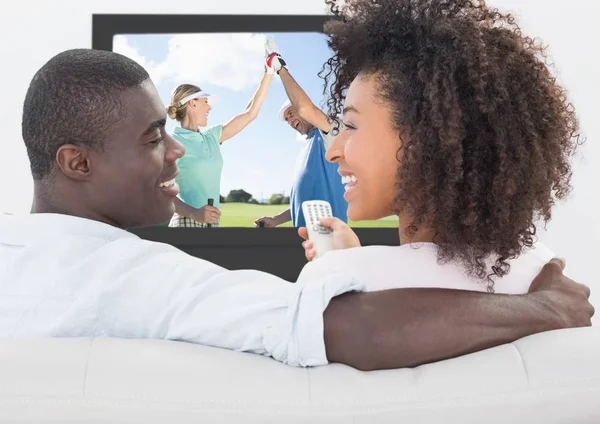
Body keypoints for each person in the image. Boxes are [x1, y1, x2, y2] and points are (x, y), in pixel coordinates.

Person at [0, 48, 592, 372]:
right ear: (78, 163)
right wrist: (543, 303)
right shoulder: (140, 280)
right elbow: (340, 326)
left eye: (349, 127)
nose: (175, 147)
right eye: (154, 137)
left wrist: (348, 267)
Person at [298, 0, 583, 295]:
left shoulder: (339, 278)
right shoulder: (546, 275)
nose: (333, 152)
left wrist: (339, 269)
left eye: (351, 126)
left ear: (422, 141)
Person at [253, 39, 348, 229]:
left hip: (329, 237)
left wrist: (279, 67)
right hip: (306, 238)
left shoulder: (332, 132)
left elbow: (306, 108)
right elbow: (302, 203)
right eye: (286, 120)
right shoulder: (306, 147)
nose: (289, 121)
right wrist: (276, 220)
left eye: (291, 114)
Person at [166, 64, 273, 227]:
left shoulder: (211, 136)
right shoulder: (172, 143)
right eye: (206, 101)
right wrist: (194, 213)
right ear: (192, 103)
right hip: (186, 223)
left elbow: (250, 114)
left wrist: (269, 73)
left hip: (213, 223)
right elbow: (159, 193)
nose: (210, 107)